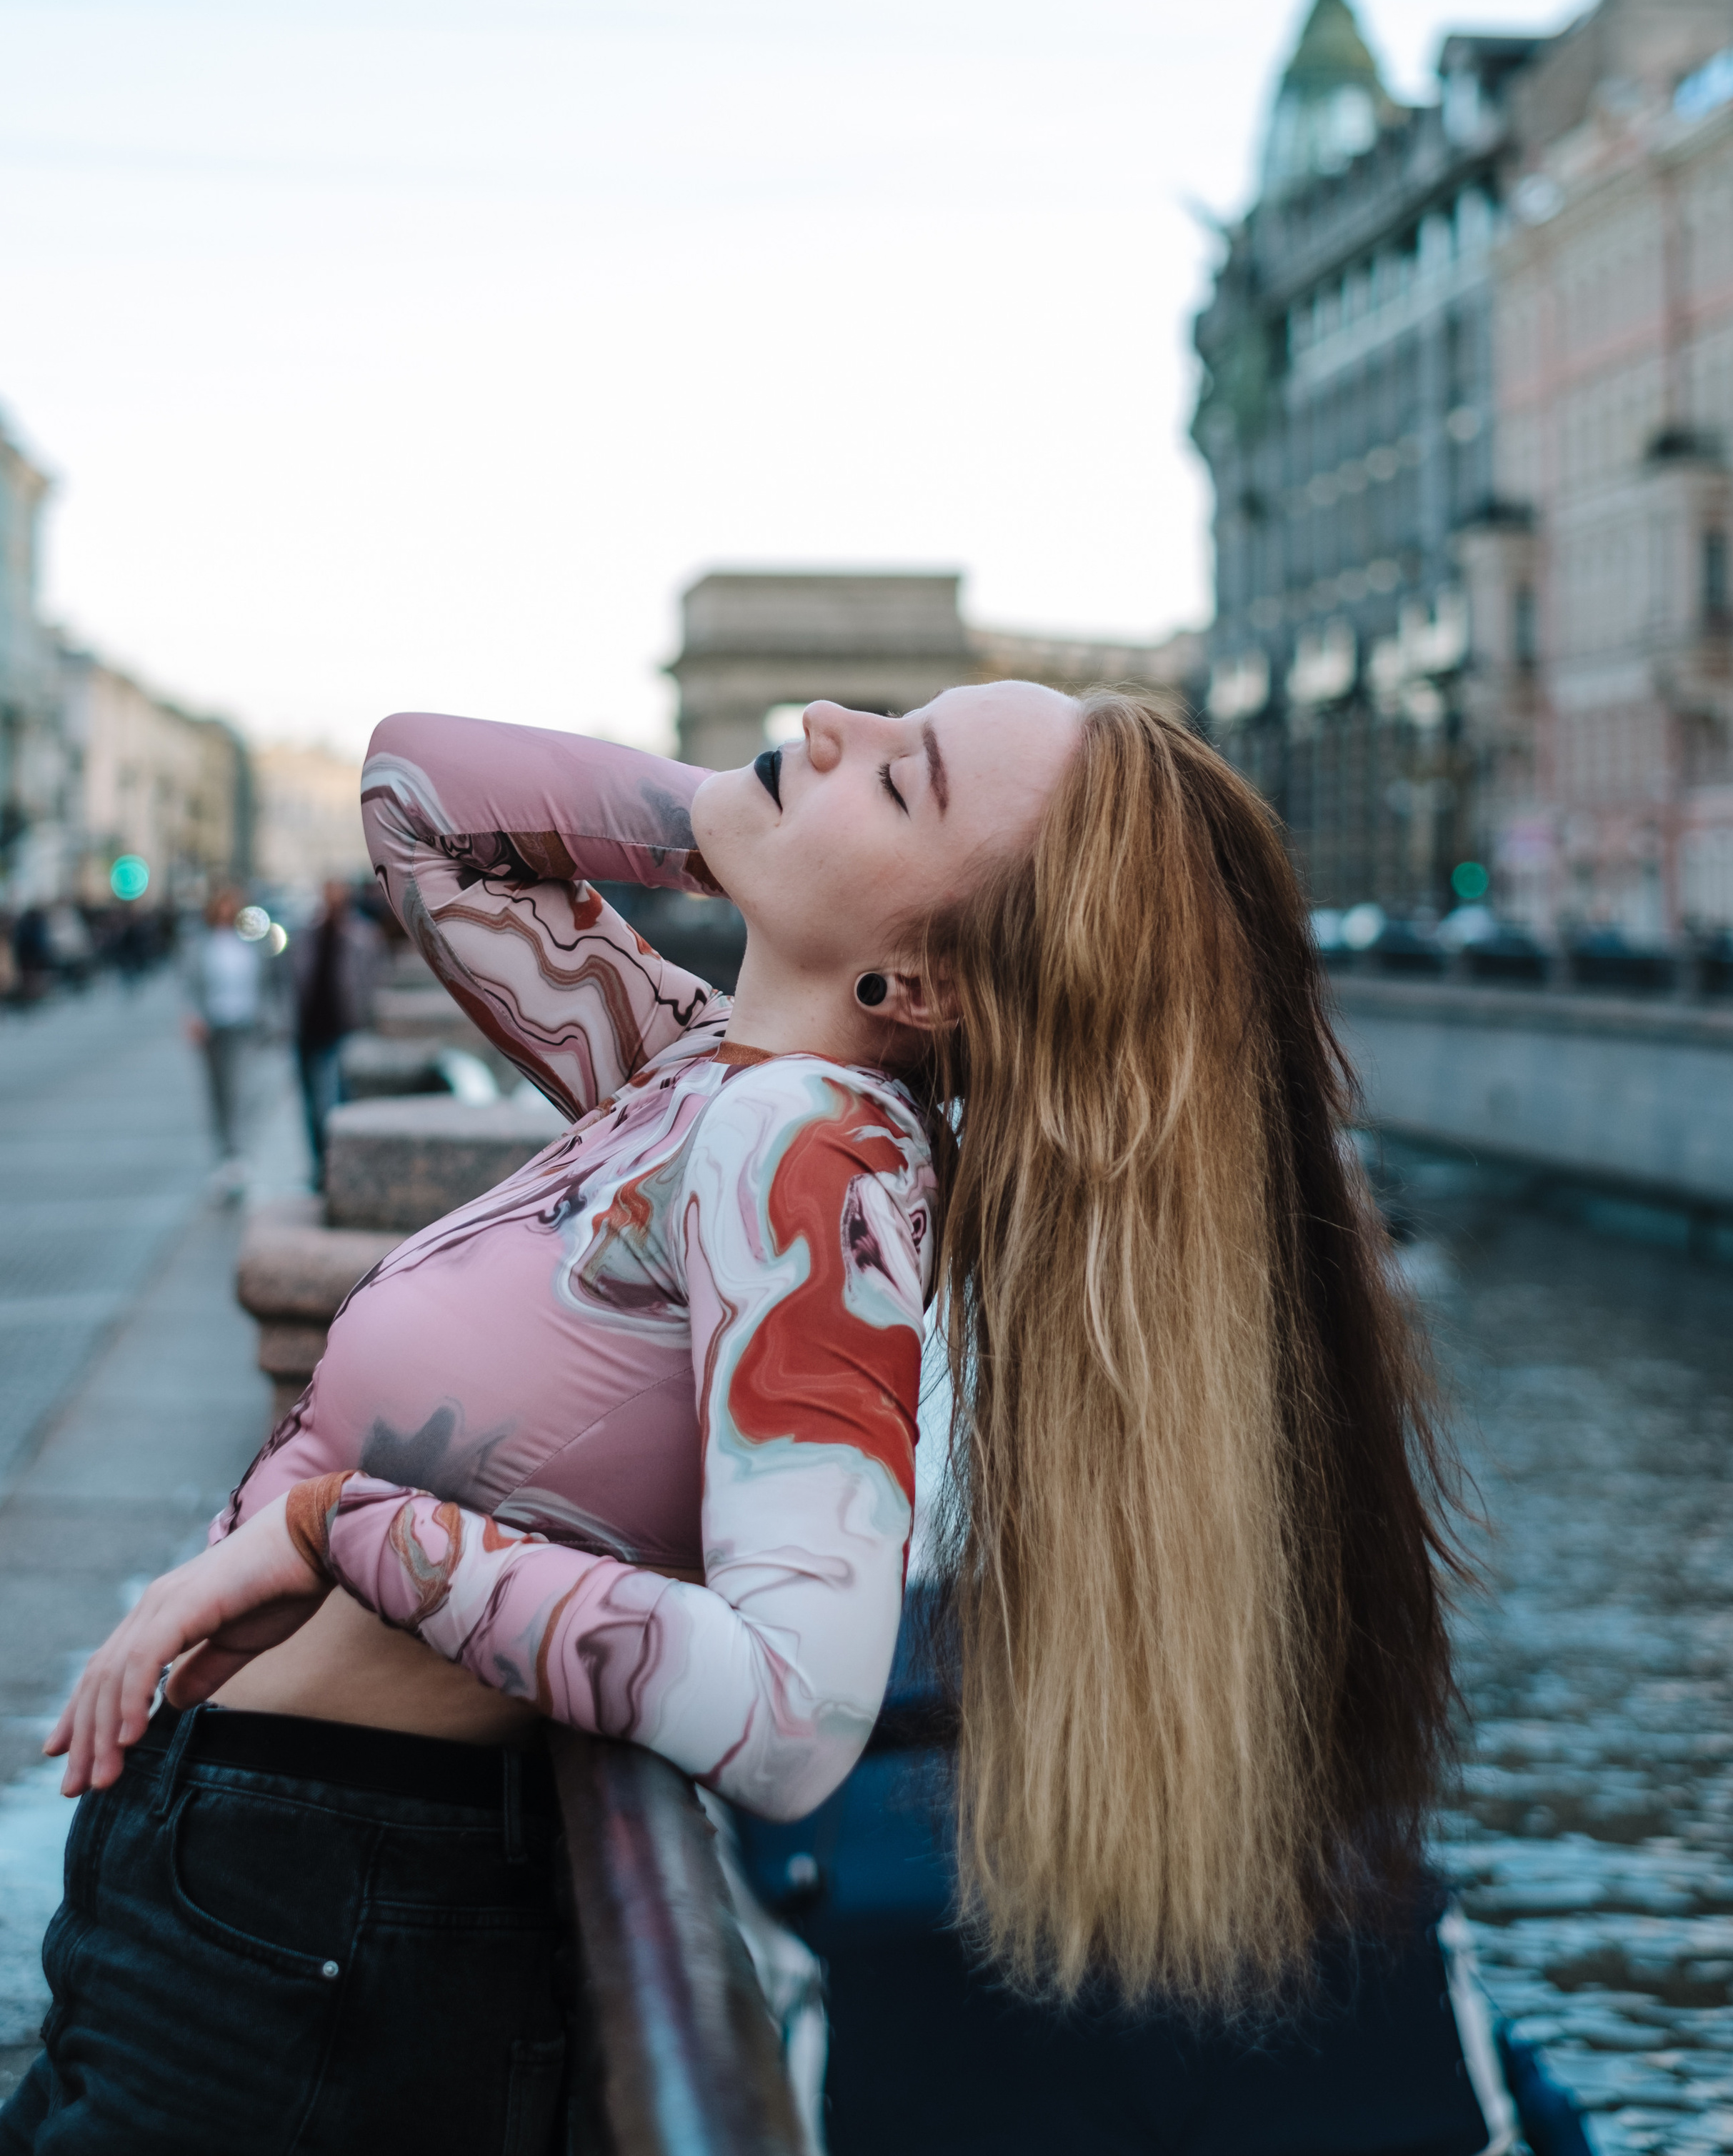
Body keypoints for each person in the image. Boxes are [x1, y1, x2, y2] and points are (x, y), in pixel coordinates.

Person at [6, 695, 1459, 2155]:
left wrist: (339, 1531)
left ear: (923, 979)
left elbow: (786, 1719)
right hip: (239, 1873)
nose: (830, 723)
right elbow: (418, 792)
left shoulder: (808, 1165)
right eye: (879, 723)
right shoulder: (700, 1077)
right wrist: (757, 824)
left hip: (313, 1922)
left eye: (905, 782)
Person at [288, 878, 382, 1187]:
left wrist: (363, 1021)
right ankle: (320, 1164)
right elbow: (288, 978)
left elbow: (371, 984)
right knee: (309, 1103)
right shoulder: (306, 934)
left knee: (328, 1101)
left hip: (340, 1030)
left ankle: (331, 1168)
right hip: (306, 1030)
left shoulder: (362, 936)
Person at [182, 887, 263, 1187]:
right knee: (217, 1092)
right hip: (213, 1026)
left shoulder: (250, 944)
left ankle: (238, 1153)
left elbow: (264, 983)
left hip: (242, 1025)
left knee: (239, 1090)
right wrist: (192, 1016)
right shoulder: (201, 945)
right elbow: (190, 984)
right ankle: (223, 1155)